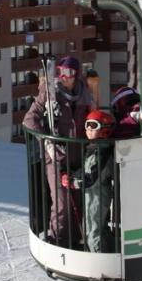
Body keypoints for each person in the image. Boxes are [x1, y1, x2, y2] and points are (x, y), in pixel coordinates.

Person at [22, 55, 96, 246]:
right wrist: (48, 142)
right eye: (61, 72)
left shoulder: (85, 95)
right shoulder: (49, 94)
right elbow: (29, 119)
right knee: (62, 203)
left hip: (79, 156)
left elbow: (92, 119)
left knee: (79, 200)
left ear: (76, 74)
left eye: (69, 72)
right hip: (56, 158)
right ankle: (58, 240)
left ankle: (78, 239)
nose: (64, 76)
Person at [80, 109, 117, 253]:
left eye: (93, 125)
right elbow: (86, 169)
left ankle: (98, 258)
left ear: (104, 130)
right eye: (87, 125)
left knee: (93, 229)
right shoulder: (93, 148)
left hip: (98, 194)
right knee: (91, 227)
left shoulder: (103, 151)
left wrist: (74, 182)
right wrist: (71, 175)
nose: (89, 129)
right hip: (92, 194)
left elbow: (93, 177)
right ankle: (104, 253)